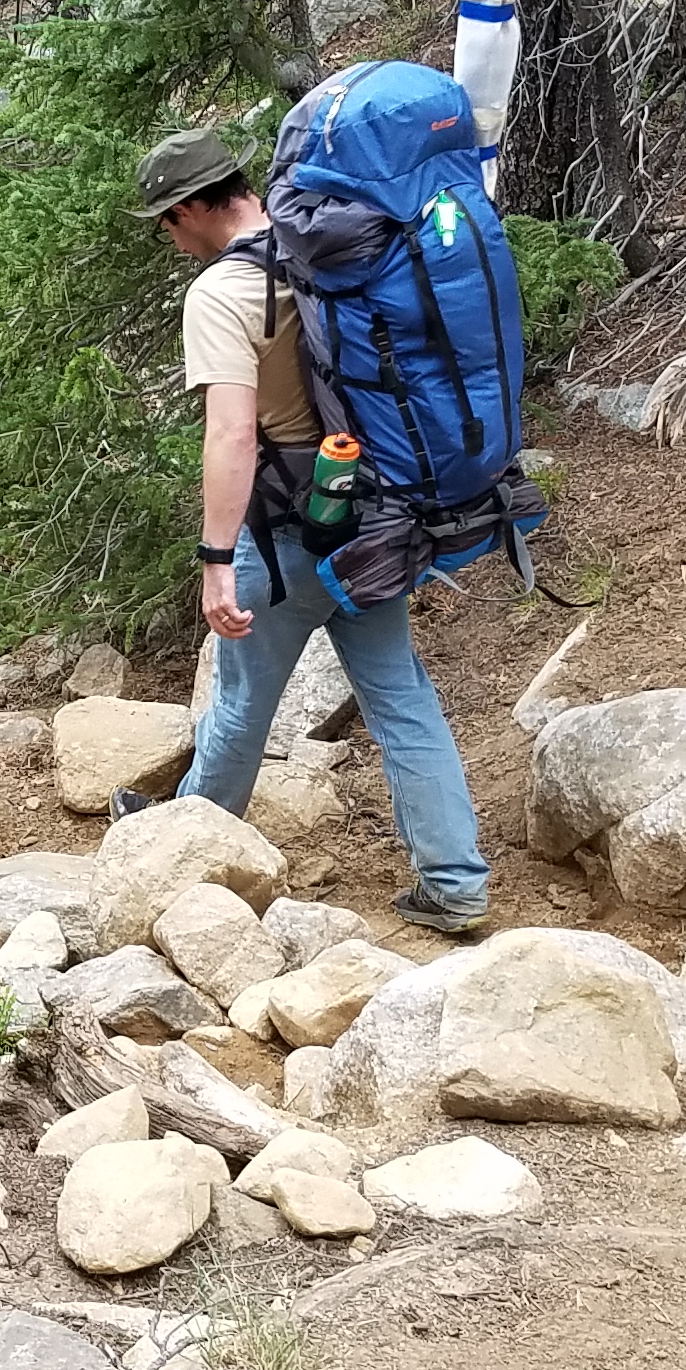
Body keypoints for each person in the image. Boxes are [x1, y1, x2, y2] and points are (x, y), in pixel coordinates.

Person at [136, 125, 491, 938]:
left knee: (239, 706)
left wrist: (216, 559)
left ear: (196, 206)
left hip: (288, 533)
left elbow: (231, 436)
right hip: (376, 520)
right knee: (399, 695)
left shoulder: (221, 294)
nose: (167, 233)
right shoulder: (339, 254)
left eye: (167, 217)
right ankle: (455, 880)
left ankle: (180, 862)